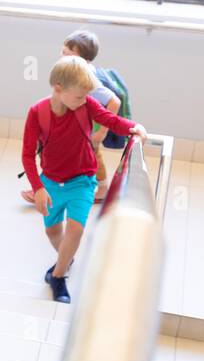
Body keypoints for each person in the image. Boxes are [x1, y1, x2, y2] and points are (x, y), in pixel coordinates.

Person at [22, 55, 148, 303]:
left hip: (82, 179)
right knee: (53, 232)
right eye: (79, 97)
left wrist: (134, 127)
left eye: (85, 98)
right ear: (58, 88)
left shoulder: (85, 105)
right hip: (51, 183)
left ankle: (58, 277)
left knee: (76, 230)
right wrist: (37, 188)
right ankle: (65, 259)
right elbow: (27, 155)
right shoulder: (37, 113)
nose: (83, 103)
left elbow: (111, 119)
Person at [19, 30, 124, 205]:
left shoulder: (91, 79)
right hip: (77, 118)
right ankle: (45, 184)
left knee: (93, 155)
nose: (63, 57)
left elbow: (114, 101)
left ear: (84, 60)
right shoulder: (71, 72)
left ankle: (103, 189)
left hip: (91, 121)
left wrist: (102, 132)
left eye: (69, 54)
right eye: (63, 52)